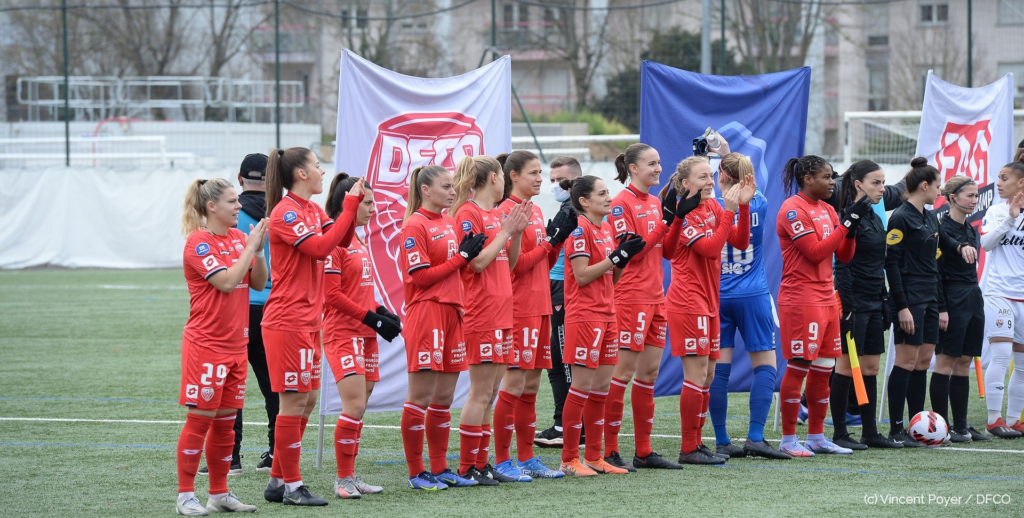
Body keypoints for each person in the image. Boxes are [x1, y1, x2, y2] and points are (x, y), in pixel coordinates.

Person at [262, 147, 362, 506]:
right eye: (318, 166)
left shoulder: (312, 209)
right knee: (293, 403)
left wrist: (351, 208)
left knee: (307, 401)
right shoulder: (286, 211)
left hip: (306, 320)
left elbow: (341, 241)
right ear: (301, 174)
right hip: (286, 320)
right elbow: (320, 248)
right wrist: (349, 207)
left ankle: (277, 480)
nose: (323, 172)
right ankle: (292, 486)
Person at [176, 177, 268, 516]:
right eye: (232, 201)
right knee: (200, 420)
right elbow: (227, 282)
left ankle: (219, 493)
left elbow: (258, 282)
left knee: (226, 424)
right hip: (206, 346)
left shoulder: (239, 238)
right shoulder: (198, 243)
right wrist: (249, 249)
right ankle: (185, 496)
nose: (239, 206)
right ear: (211, 206)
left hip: (236, 345)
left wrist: (258, 250)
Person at [398, 165, 487, 491]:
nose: (453, 192)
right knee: (420, 396)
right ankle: (416, 472)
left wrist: (466, 258)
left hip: (453, 312)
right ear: (425, 190)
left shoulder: (449, 222)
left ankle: (440, 468)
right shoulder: (414, 225)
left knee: (444, 397)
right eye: (446, 187)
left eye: (453, 187)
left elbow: (457, 270)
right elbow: (421, 277)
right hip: (427, 312)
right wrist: (461, 257)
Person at [775, 155, 869, 457]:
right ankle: (788, 439)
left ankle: (816, 436)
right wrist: (847, 223)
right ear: (808, 179)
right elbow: (815, 253)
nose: (832, 183)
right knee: (799, 366)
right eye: (827, 177)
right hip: (801, 299)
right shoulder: (792, 209)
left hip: (828, 298)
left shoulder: (827, 209)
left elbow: (844, 255)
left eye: (832, 176)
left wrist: (851, 229)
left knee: (824, 369)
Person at [662, 156, 752, 464]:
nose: (710, 182)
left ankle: (698, 443)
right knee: (696, 375)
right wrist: (729, 212)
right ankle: (688, 448)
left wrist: (742, 206)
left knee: (708, 375)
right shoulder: (685, 213)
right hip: (688, 303)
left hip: (709, 302)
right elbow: (712, 249)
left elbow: (740, 242)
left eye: (711, 176)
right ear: (685, 184)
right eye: (703, 177)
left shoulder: (713, 206)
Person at [884, 157, 976, 447]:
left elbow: (940, 251)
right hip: (910, 297)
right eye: (937, 186)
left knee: (923, 361)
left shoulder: (930, 216)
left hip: (930, 298)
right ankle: (896, 430)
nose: (940, 191)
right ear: (924, 185)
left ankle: (917, 427)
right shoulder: (901, 217)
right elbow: (892, 264)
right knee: (906, 361)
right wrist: (901, 306)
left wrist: (959, 247)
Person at [602, 144, 684, 471]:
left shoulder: (654, 202)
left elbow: (668, 253)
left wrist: (676, 218)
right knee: (621, 374)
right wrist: (665, 221)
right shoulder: (620, 203)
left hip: (656, 297)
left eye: (659, 162)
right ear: (633, 168)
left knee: (649, 374)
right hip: (631, 298)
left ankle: (644, 451)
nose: (659, 168)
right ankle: (609, 450)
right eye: (652, 163)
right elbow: (632, 253)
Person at [321, 173, 402, 498]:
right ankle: (342, 480)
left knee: (360, 407)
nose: (374, 209)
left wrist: (381, 312)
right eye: (368, 203)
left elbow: (358, 291)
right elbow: (331, 295)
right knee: (353, 405)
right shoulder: (334, 240)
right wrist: (372, 318)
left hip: (364, 334)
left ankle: (351, 476)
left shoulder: (358, 239)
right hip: (343, 334)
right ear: (349, 203)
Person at [559, 175, 645, 476]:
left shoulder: (606, 228)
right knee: (581, 387)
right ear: (584, 201)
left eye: (609, 192)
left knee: (601, 390)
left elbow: (612, 278)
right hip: (585, 316)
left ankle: (595, 457)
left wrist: (623, 259)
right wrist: (615, 256)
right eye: (602, 193)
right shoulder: (579, 230)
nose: (609, 197)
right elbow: (582, 276)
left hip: (608, 315)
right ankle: (569, 459)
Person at [450, 155, 530, 484]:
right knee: (480, 392)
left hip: (502, 311)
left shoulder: (496, 214)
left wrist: (516, 233)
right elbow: (477, 263)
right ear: (494, 178)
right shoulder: (467, 212)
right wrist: (506, 231)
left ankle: (482, 464)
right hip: (481, 311)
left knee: (492, 392)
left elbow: (508, 263)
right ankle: (467, 466)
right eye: (502, 176)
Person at [493, 150, 572, 479]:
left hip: (540, 307)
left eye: (541, 172)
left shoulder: (536, 210)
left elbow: (543, 261)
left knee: (531, 388)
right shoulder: (506, 212)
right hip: (519, 309)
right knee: (513, 385)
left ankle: (527, 458)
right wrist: (549, 243)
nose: (541, 179)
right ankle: (502, 461)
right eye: (534, 173)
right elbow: (516, 266)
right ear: (513, 176)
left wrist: (557, 240)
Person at [197, 154, 276, 477]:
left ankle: (231, 457)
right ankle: (276, 451)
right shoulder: (283, 211)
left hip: (239, 309)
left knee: (233, 385)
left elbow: (231, 278)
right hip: (271, 307)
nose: (236, 205)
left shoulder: (233, 220)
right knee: (272, 385)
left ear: (242, 180)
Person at [709, 151, 791, 459]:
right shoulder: (759, 203)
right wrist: (727, 154)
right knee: (766, 366)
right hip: (753, 294)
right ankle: (755, 436)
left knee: (719, 371)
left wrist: (721, 154)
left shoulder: (709, 208)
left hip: (718, 295)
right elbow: (743, 185)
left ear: (720, 176)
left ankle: (721, 440)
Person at [829, 160, 904, 450]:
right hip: (854, 302)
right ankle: (839, 433)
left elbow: (878, 262)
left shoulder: (874, 215)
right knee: (846, 367)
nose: (882, 188)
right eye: (876, 183)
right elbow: (842, 266)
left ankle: (870, 432)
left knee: (871, 367)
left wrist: (884, 298)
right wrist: (847, 307)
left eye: (884, 183)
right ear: (859, 184)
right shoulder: (849, 217)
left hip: (874, 299)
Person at [932, 175, 991, 443]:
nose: (974, 200)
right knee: (945, 361)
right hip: (952, 297)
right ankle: (941, 427)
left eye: (976, 195)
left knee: (965, 361)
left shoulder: (971, 229)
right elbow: (937, 273)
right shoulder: (941, 230)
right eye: (970, 195)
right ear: (952, 198)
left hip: (972, 296)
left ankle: (961, 426)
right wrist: (942, 308)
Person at [536, 156, 582, 447]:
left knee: (564, 359)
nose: (555, 185)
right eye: (552, 179)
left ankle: (569, 427)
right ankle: (565, 423)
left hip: (563, 287)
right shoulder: (569, 208)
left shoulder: (576, 209)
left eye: (561, 180)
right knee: (555, 359)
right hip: (556, 285)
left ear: (576, 180)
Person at [980, 160, 1024, 438]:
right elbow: (985, 244)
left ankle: (1014, 420)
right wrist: (1010, 218)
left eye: (1004, 178)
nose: (998, 183)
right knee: (1001, 355)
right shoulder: (996, 211)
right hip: (999, 294)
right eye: (998, 177)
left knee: (1022, 364)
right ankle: (993, 419)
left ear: (1021, 182)